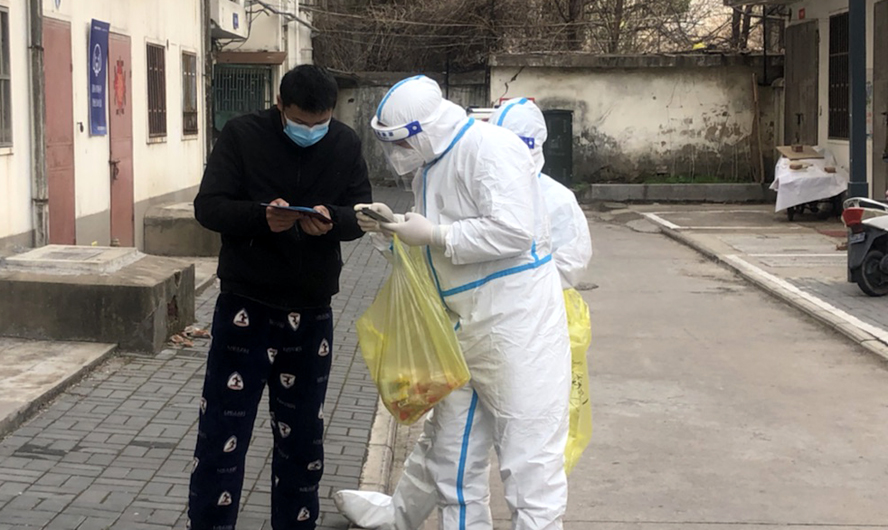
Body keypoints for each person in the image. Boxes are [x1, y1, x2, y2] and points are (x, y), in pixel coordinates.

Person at [335, 75, 571, 530]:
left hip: (517, 329)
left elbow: (514, 232)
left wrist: (435, 234)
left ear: (427, 128)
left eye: (401, 142)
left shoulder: (491, 148)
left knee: (529, 465)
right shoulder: (430, 166)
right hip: (460, 329)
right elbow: (434, 249)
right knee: (452, 459)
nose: (398, 153)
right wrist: (394, 230)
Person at [187, 64, 372, 530]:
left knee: (303, 439)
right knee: (223, 432)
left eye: (320, 123)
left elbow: (362, 213)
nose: (310, 131)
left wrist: (334, 220)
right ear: (279, 106)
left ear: (332, 112)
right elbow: (208, 207)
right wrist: (260, 217)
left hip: (311, 312)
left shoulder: (345, 143)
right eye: (300, 122)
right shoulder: (241, 135)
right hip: (246, 306)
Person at [489, 98, 592, 288]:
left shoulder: (557, 199)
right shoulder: (479, 190)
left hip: (540, 302)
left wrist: (518, 285)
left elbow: (571, 263)